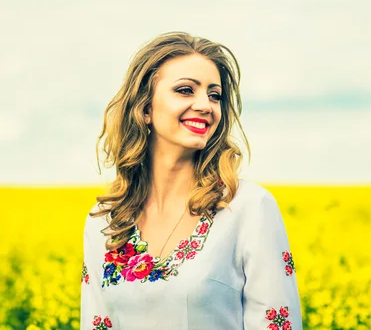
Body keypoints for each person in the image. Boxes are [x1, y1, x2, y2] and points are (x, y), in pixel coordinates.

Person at [80, 31, 303, 329]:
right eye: (186, 90)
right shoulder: (104, 222)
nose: (205, 105)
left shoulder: (249, 208)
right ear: (145, 108)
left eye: (215, 95)